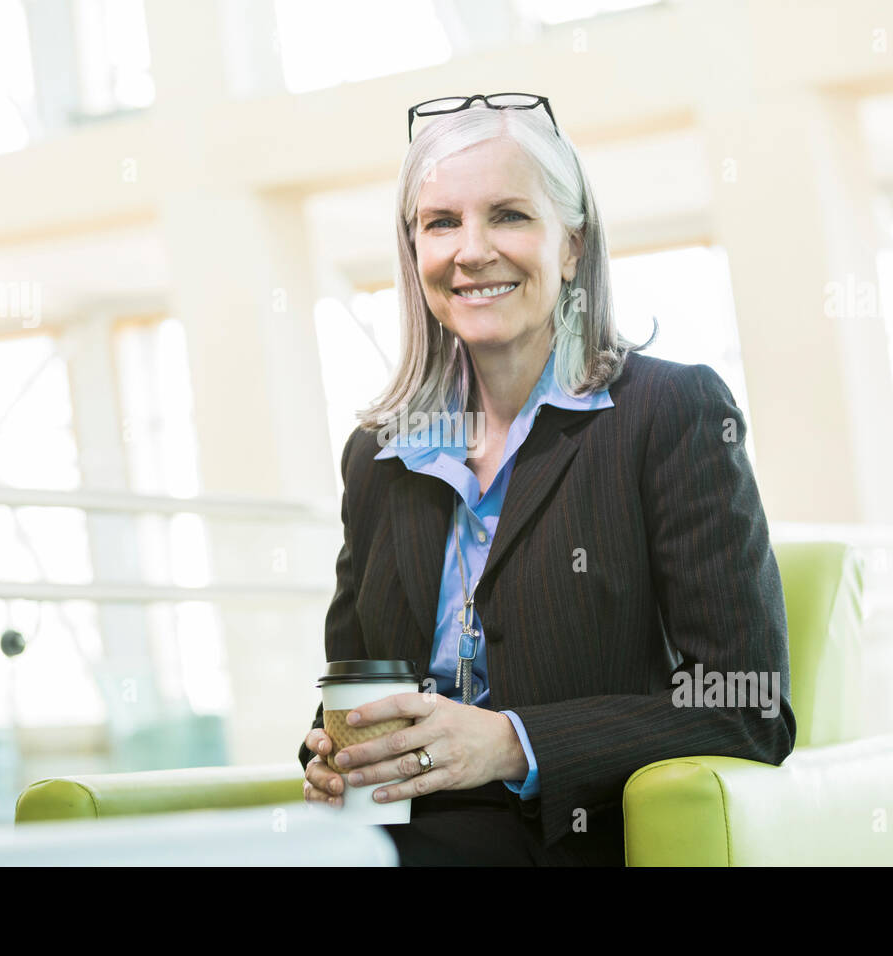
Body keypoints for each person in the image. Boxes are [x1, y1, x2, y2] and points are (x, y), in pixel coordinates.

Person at [298, 94, 795, 866]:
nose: (471, 251)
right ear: (414, 252)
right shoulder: (379, 456)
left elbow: (748, 706)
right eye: (441, 223)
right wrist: (333, 751)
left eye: (508, 216)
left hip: (564, 834)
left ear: (571, 246)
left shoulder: (670, 413)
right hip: (392, 834)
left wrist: (510, 742)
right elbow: (356, 678)